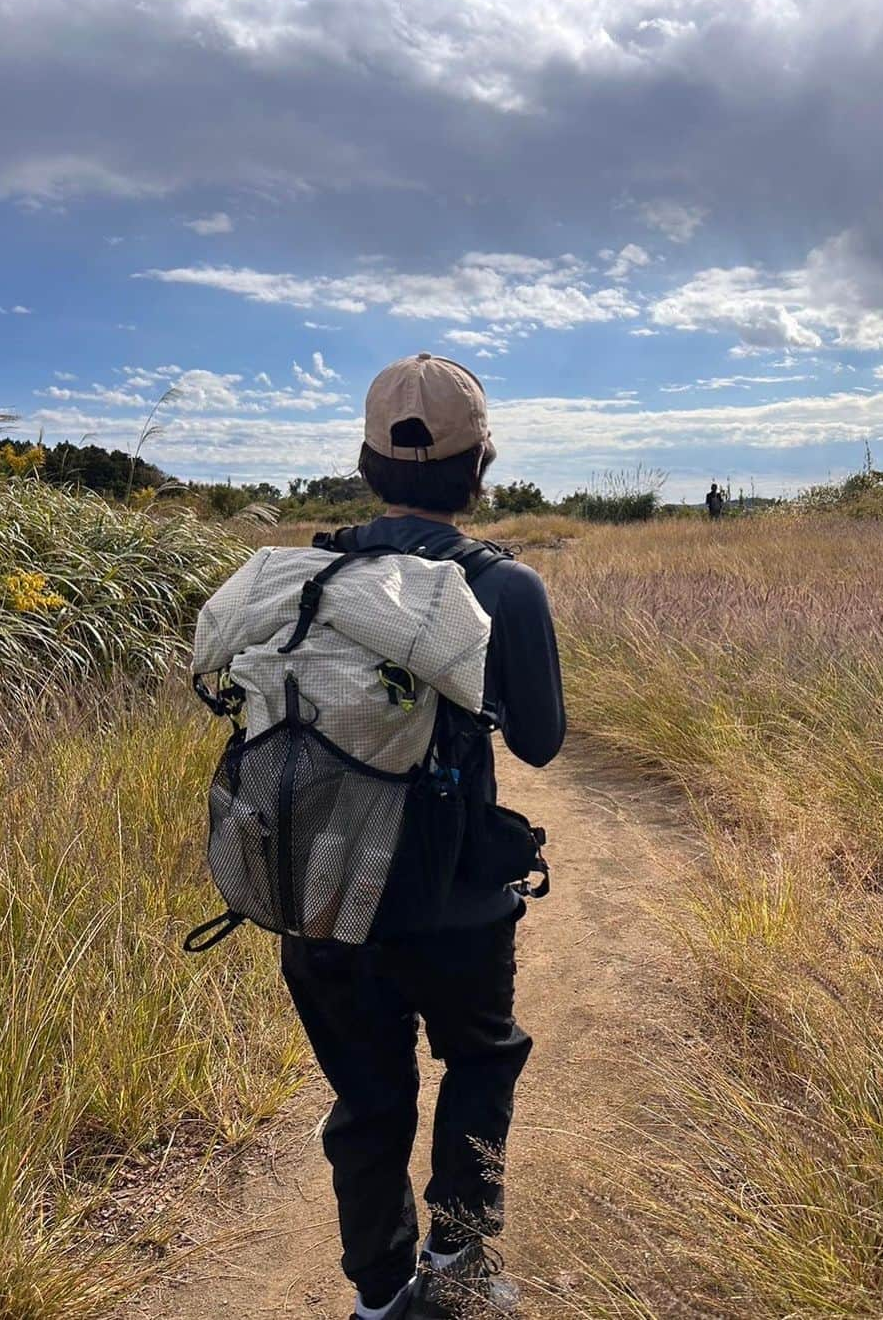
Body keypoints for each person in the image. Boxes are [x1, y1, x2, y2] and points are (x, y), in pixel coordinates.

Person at [280, 353, 566, 1320]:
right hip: (456, 906)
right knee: (481, 1059)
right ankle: (459, 1259)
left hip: (320, 892)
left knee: (368, 1102)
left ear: (368, 464)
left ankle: (379, 1294)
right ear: (480, 465)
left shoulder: (309, 575)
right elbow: (542, 742)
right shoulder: (506, 587)